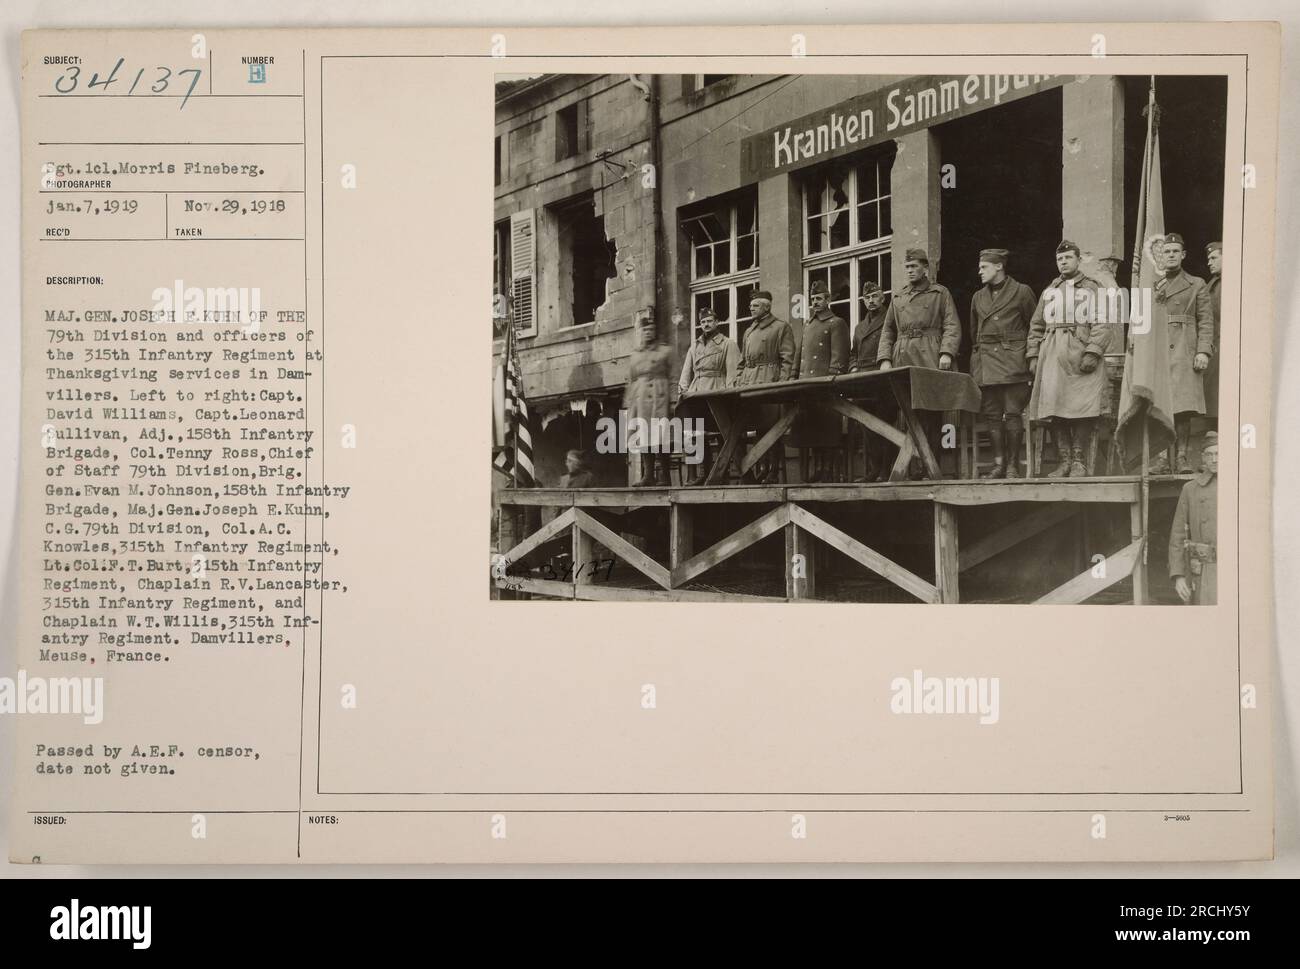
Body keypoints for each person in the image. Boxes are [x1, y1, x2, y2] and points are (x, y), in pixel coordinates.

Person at [1026, 239, 1110, 478]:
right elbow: (1036, 325)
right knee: (1053, 406)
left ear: (1078, 259)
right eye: (1060, 259)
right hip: (1052, 355)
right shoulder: (1050, 290)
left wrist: (1093, 351)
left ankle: (1078, 462)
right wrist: (1033, 355)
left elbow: (1103, 321)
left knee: (1082, 405)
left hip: (1081, 354)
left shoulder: (1093, 287)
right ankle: (1064, 462)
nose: (1063, 262)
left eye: (1068, 258)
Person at [877, 247, 961, 478]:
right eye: (907, 267)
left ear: (925, 268)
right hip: (903, 356)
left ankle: (930, 467)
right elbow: (888, 330)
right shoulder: (899, 297)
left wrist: (947, 353)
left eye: (914, 267)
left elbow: (951, 325)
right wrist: (884, 359)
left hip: (929, 355)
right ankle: (912, 467)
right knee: (908, 414)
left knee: (931, 414)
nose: (910, 271)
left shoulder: (940, 294)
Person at [969, 248, 1036, 479]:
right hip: (987, 364)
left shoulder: (1022, 292)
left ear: (999, 266)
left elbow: (1034, 328)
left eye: (984, 267)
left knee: (1013, 413)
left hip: (1014, 363)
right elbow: (974, 333)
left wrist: (1030, 358)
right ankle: (998, 465)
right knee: (992, 415)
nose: (979, 272)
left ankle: (1012, 466)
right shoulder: (978, 297)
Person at [1150, 233, 1214, 473]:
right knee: (1160, 405)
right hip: (1160, 348)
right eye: (1167, 252)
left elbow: (1206, 321)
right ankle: (1162, 459)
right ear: (1160, 255)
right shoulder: (1153, 283)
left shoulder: (1196, 283)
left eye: (1175, 251)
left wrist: (1203, 352)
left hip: (1186, 350)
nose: (1171, 255)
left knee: (1184, 407)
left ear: (1183, 255)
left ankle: (1183, 457)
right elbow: (1142, 319)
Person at [733, 289, 795, 482]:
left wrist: (782, 386)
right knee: (757, 430)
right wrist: (739, 380)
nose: (751, 308)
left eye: (755, 305)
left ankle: (773, 470)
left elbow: (787, 359)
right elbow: (742, 361)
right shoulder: (749, 331)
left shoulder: (780, 327)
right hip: (750, 384)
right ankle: (761, 467)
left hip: (770, 380)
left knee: (771, 428)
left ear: (766, 307)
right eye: (751, 305)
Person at [793, 279, 850, 482]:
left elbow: (839, 357)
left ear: (828, 300)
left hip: (824, 385)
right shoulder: (808, 326)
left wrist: (832, 380)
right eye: (813, 299)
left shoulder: (836, 323)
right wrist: (794, 377)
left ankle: (828, 469)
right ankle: (817, 467)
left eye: (819, 298)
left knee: (827, 430)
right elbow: (799, 356)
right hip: (807, 385)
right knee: (811, 429)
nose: (815, 302)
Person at [678, 306, 740, 482]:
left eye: (709, 321)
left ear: (717, 322)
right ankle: (698, 474)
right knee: (694, 433)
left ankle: (722, 473)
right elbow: (686, 371)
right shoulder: (695, 346)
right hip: (697, 394)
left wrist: (729, 395)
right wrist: (683, 390)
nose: (706, 324)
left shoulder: (728, 344)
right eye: (703, 322)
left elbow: (732, 372)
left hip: (717, 393)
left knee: (722, 433)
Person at [849, 281, 895, 481]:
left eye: (875, 296)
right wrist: (853, 367)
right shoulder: (860, 327)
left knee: (885, 424)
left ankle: (886, 470)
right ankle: (873, 469)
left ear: (883, 298)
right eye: (867, 297)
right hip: (863, 381)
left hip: (882, 379)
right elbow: (853, 354)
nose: (871, 301)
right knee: (867, 427)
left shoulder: (890, 319)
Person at [624, 310, 674, 486]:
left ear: (655, 332)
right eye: (645, 330)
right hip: (641, 397)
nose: (648, 333)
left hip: (660, 397)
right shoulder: (635, 355)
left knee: (661, 436)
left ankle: (665, 476)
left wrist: (673, 401)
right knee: (643, 435)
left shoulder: (665, 351)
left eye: (651, 329)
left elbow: (673, 377)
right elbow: (631, 380)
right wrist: (629, 405)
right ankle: (648, 475)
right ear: (640, 332)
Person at [1168, 430, 1218, 605]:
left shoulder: (1239, 486)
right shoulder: (1190, 489)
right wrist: (1179, 575)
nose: (1214, 459)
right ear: (1203, 458)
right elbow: (1178, 535)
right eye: (1210, 454)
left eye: (1219, 454)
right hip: (1202, 572)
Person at [1203, 241, 1223, 431]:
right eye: (1208, 259)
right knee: (1213, 392)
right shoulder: (1212, 284)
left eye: (1214, 258)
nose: (1209, 262)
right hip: (1214, 345)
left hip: (1227, 345)